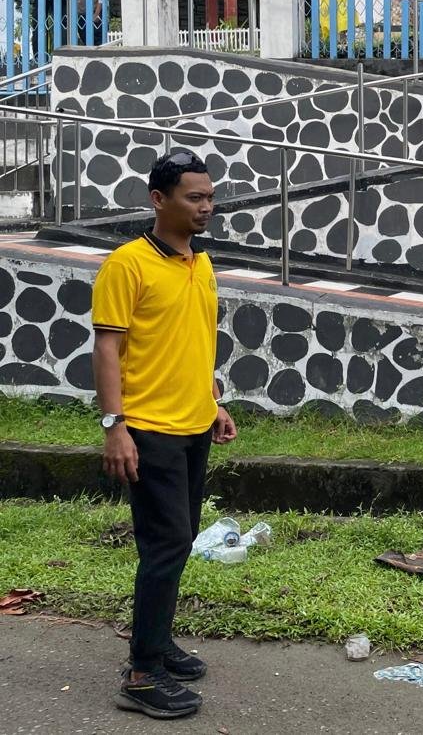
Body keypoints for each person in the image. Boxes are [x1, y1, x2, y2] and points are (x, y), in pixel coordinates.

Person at [92, 149, 237, 719]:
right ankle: (142, 674)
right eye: (194, 197)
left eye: (210, 197)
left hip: (194, 423)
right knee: (166, 543)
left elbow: (194, 342)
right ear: (159, 199)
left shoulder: (201, 263)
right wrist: (115, 426)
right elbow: (107, 348)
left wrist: (213, 402)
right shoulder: (127, 264)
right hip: (148, 429)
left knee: (180, 538)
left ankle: (156, 642)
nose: (207, 207)